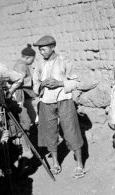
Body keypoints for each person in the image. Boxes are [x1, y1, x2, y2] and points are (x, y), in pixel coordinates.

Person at [33, 35, 85, 178]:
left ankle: (79, 164)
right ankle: (55, 163)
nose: (41, 52)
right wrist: (43, 84)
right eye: (40, 50)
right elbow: (35, 85)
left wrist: (60, 83)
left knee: (70, 130)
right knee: (50, 131)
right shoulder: (39, 64)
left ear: (52, 47)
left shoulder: (63, 61)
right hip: (46, 102)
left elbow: (76, 81)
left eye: (43, 49)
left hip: (64, 100)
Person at [13, 44, 39, 122]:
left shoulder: (19, 64)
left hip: (24, 93)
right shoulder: (22, 66)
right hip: (21, 93)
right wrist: (33, 80)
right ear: (27, 57)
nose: (33, 61)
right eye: (32, 59)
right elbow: (20, 80)